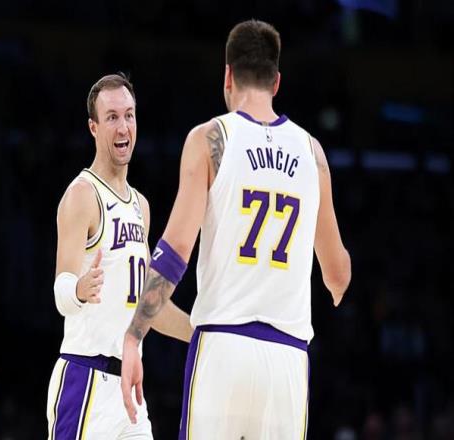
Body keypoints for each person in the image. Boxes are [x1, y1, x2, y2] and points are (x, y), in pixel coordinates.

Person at [121, 19, 351, 439]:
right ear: (276, 82)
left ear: (227, 76)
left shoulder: (211, 138)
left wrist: (135, 335)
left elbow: (175, 250)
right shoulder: (312, 153)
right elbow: (337, 273)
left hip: (222, 347)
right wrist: (337, 285)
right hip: (287, 358)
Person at [47, 72, 193, 440]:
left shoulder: (140, 206)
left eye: (129, 115)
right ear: (93, 128)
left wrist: (203, 333)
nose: (123, 125)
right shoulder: (82, 195)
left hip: (129, 387)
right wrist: (79, 289)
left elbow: (149, 306)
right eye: (111, 117)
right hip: (85, 380)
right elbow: (61, 293)